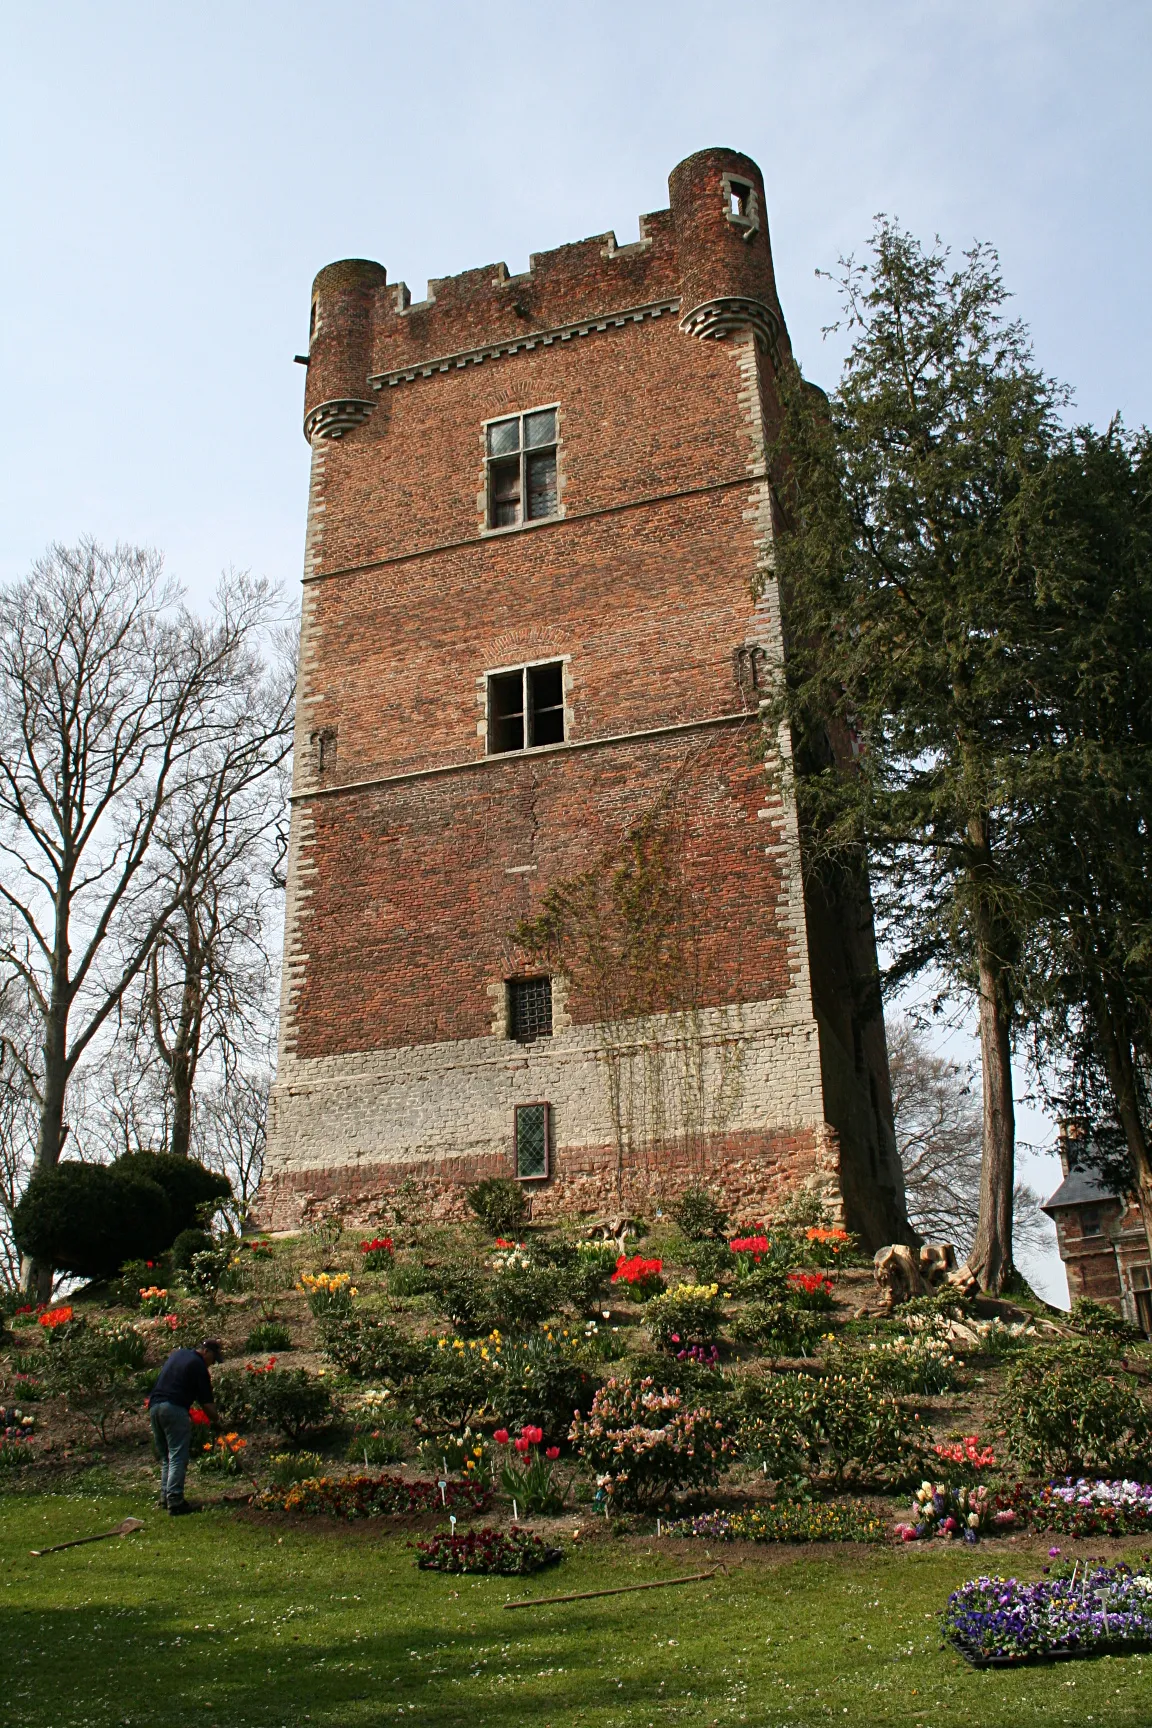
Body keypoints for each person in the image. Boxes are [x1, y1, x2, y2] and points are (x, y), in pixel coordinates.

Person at [147, 1338, 222, 1515]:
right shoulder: (199, 1367)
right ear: (207, 1352)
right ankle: (175, 1500)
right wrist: (218, 1421)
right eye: (214, 1359)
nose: (212, 1364)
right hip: (174, 1408)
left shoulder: (179, 1354)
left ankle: (165, 1497)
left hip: (155, 1407)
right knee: (178, 1454)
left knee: (167, 1456)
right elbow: (207, 1404)